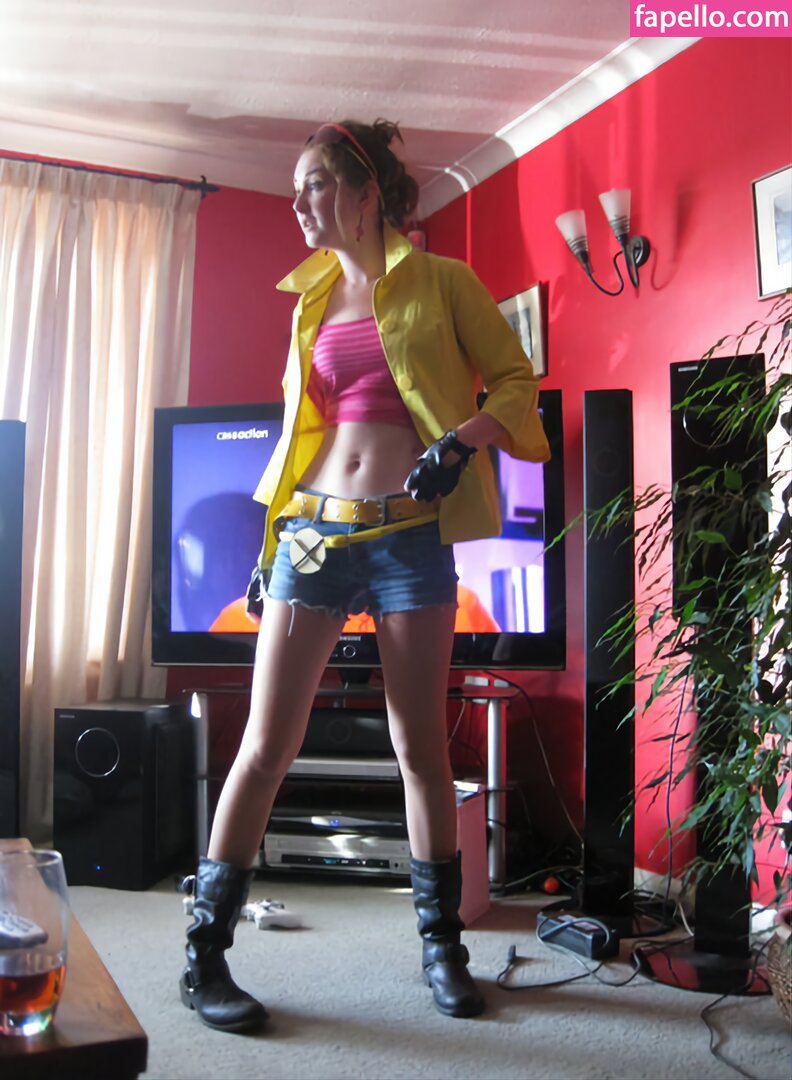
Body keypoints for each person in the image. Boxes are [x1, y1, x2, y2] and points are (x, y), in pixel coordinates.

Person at [179, 119, 550, 1033]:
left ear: (364, 191)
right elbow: (301, 436)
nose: (298, 204)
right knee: (264, 747)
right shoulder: (308, 300)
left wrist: (460, 443)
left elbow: (516, 380)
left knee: (421, 750)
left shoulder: (443, 282)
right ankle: (204, 956)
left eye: (313, 184)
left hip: (409, 538)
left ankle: (442, 949)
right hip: (310, 533)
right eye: (296, 189)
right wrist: (269, 548)